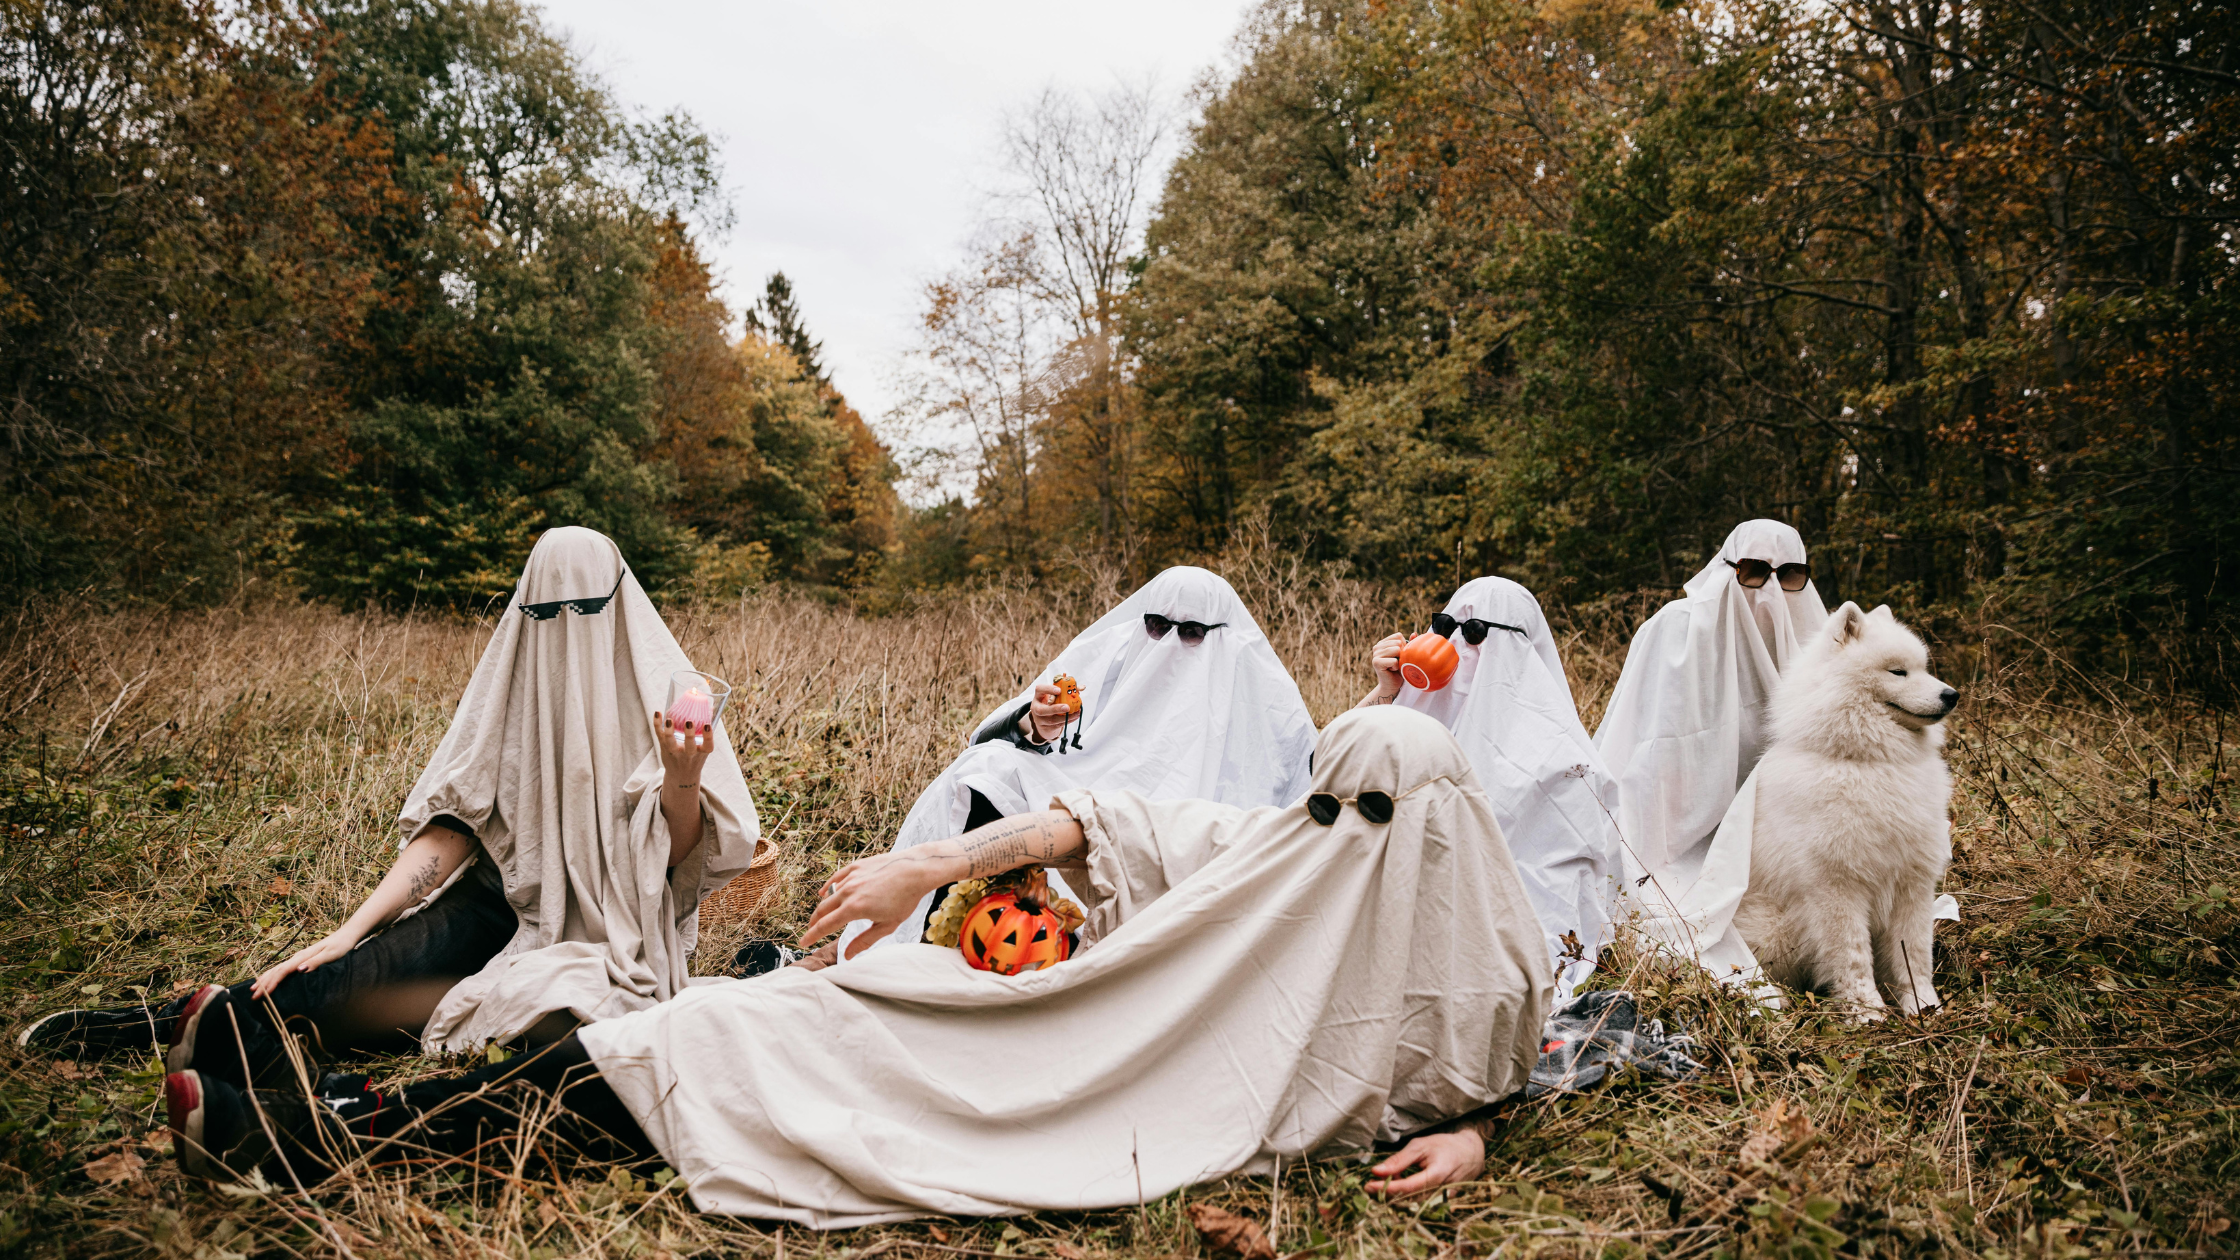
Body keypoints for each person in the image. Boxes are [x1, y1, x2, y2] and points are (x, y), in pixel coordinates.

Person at [163, 706, 1553, 1220]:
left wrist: (1481, 1136)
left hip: (1100, 1106)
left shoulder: (1487, 967)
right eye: (1326, 805)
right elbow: (1107, 818)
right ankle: (331, 1117)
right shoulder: (1280, 852)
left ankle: (322, 1142)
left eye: (1369, 820)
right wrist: (928, 867)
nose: (1338, 838)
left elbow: (1511, 1058)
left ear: (1448, 837)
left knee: (710, 1053)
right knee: (745, 1020)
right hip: (1025, 1020)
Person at [19, 528, 763, 1086]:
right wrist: (350, 930)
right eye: (546, 610)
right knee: (340, 987)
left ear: (617, 605)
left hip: (618, 926)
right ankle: (153, 1025)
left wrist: (681, 778)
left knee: (549, 1031)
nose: (563, 628)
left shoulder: (669, 697)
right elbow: (457, 824)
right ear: (524, 609)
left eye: (583, 608)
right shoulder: (513, 682)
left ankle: (230, 1037)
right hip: (502, 902)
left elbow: (677, 860)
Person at [810, 565, 1316, 965]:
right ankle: (929, 936)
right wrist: (1038, 723)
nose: (1166, 644)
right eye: (1158, 626)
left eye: (1189, 633)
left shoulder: (1255, 681)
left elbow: (1306, 770)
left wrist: (1387, 697)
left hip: (1181, 819)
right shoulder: (1118, 648)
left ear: (1220, 633)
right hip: (1082, 785)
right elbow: (1024, 726)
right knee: (986, 766)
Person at [1357, 576, 1620, 997]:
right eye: (1447, 629)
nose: (1463, 647)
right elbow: (1332, 770)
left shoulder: (1564, 762)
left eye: (1479, 635)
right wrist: (1385, 692)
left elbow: (1556, 898)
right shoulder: (1414, 717)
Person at [1591, 519, 1827, 980]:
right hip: (1680, 822)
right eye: (1755, 571)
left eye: (1790, 575)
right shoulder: (1676, 629)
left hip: (1783, 823)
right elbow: (1648, 742)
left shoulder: (1817, 639)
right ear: (1727, 569)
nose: (1773, 592)